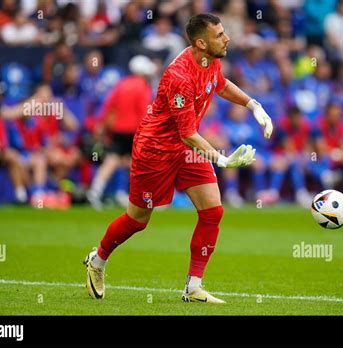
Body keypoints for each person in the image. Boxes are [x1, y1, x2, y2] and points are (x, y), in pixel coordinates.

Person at [83, 13, 273, 303]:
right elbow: (187, 133)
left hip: (186, 150)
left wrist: (252, 104)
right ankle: (98, 260)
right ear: (201, 43)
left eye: (224, 33)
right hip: (155, 150)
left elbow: (219, 84)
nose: (227, 38)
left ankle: (193, 286)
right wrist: (220, 160)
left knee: (213, 211)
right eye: (220, 35)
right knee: (138, 220)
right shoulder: (179, 77)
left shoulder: (210, 59)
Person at [86, 55, 156, 209]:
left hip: (118, 130)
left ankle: (96, 191)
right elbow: (144, 111)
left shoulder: (121, 84)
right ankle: (140, 197)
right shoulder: (143, 86)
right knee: (138, 163)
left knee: (113, 160)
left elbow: (108, 106)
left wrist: (101, 125)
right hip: (136, 130)